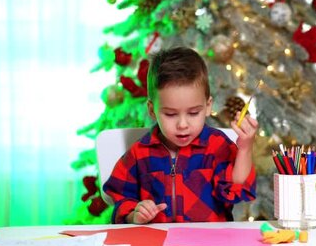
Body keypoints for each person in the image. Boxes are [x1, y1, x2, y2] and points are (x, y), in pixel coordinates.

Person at [103, 46, 258, 224]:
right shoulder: (140, 152)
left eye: (193, 113)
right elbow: (121, 199)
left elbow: (237, 186)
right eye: (170, 114)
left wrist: (245, 148)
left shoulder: (217, 146)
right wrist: (135, 215)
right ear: (152, 110)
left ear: (208, 106)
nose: (183, 125)